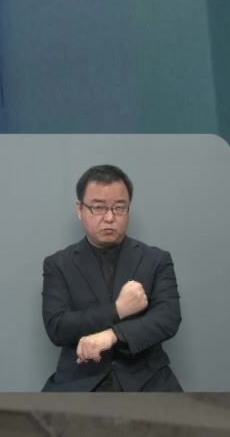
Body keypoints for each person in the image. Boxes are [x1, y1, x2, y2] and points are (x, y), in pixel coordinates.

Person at [39, 163, 183, 392]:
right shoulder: (58, 264)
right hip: (80, 380)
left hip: (148, 379)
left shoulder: (156, 259)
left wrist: (112, 335)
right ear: (80, 209)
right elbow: (57, 327)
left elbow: (168, 318)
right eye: (98, 208)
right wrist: (118, 310)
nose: (109, 217)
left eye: (119, 208)